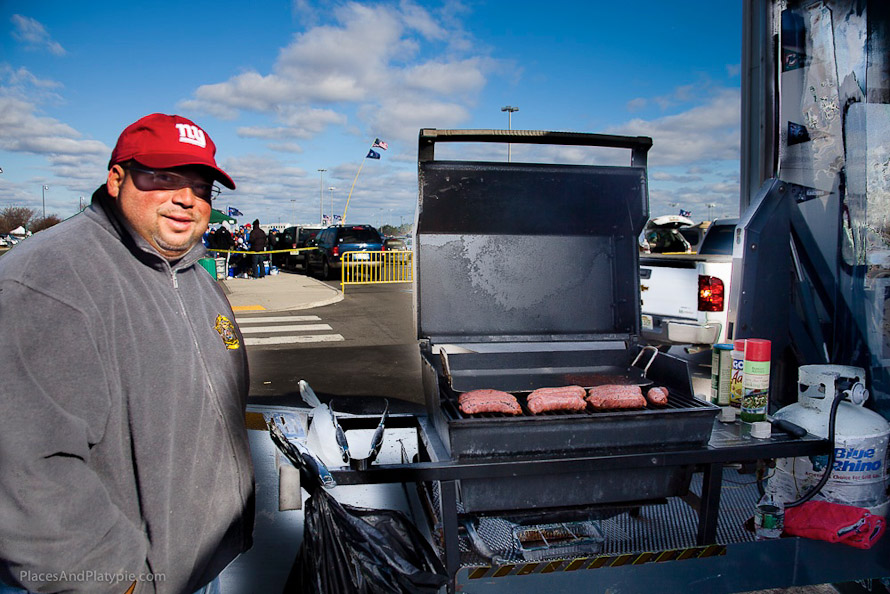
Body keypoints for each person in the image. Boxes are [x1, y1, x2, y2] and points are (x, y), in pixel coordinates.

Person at [0, 113, 255, 594]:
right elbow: (25, 470)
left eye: (201, 187)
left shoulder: (194, 276)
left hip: (196, 565)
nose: (186, 198)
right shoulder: (48, 280)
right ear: (116, 179)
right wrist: (115, 580)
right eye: (163, 178)